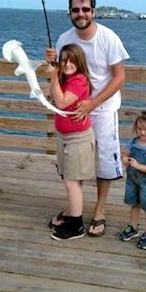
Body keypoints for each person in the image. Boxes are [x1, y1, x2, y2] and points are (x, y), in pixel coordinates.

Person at [46, 0, 130, 237]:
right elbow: (61, 74)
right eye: (75, 10)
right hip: (72, 114)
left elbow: (120, 77)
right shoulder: (64, 39)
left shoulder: (108, 37)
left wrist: (93, 104)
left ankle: (100, 211)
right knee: (74, 161)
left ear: (93, 11)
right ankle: (75, 210)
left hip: (102, 110)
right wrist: (51, 64)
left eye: (85, 9)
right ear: (69, 12)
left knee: (104, 162)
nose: (80, 14)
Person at [47, 44, 95, 240]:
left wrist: (52, 78)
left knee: (71, 182)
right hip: (65, 137)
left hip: (78, 139)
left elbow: (62, 102)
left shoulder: (80, 81)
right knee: (70, 179)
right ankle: (71, 212)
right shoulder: (64, 79)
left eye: (72, 60)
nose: (67, 64)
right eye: (64, 59)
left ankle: (76, 225)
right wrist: (54, 75)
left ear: (80, 62)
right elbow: (52, 97)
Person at [118, 110, 146, 250]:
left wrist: (138, 166)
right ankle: (133, 227)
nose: (142, 132)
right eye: (140, 129)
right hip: (132, 180)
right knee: (134, 203)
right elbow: (126, 154)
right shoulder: (133, 142)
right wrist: (125, 159)